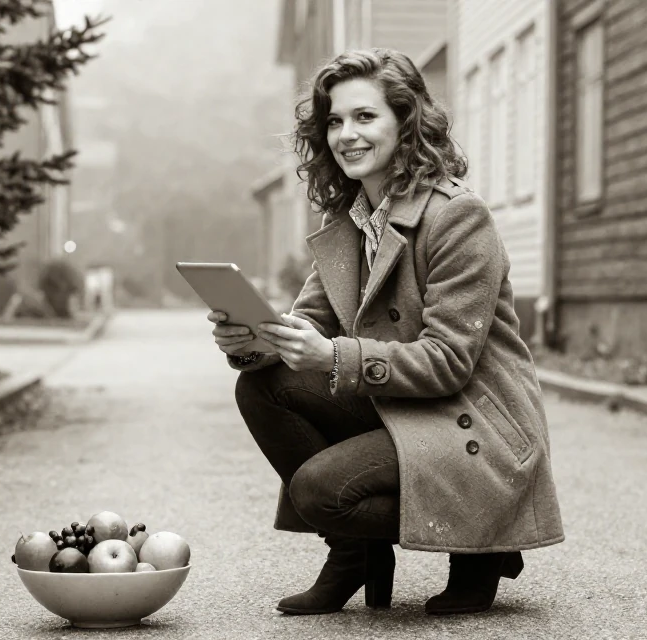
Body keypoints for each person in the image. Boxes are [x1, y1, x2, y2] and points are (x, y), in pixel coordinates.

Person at [206, 48, 564, 616]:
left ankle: (484, 543)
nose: (346, 134)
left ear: (406, 121)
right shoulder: (349, 221)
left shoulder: (457, 216)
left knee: (320, 491)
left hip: (471, 422)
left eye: (365, 116)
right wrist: (257, 340)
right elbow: (313, 321)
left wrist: (332, 356)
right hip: (405, 406)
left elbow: (448, 361)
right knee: (263, 385)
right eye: (334, 121)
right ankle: (356, 556)